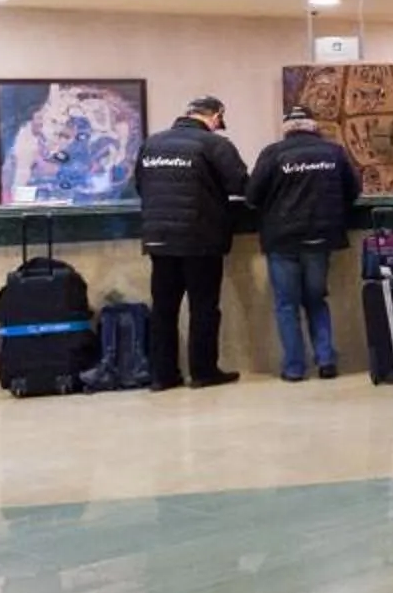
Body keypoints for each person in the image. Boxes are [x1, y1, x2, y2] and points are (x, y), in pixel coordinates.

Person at [133, 95, 249, 390]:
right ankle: (203, 372)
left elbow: (138, 185)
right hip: (201, 239)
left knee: (164, 309)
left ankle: (162, 375)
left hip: (159, 239)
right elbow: (240, 184)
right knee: (204, 307)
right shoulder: (214, 145)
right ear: (214, 116)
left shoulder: (152, 144)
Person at [247, 104, 362, 382]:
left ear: (286, 128)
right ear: (313, 126)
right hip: (321, 237)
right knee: (316, 300)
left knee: (287, 305)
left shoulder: (272, 154)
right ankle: (325, 361)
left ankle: (294, 367)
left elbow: (252, 196)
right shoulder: (333, 153)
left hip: (283, 239)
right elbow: (354, 191)